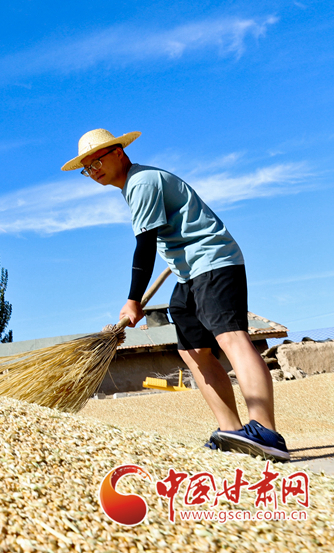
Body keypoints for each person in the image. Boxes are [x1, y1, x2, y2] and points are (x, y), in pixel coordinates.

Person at [62, 130, 289, 462]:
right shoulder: (132, 188)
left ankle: (266, 433)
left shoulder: (142, 182)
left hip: (213, 261)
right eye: (86, 167)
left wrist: (133, 299)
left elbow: (145, 245)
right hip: (187, 274)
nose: (93, 169)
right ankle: (232, 432)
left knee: (232, 339)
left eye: (97, 159)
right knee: (193, 352)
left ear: (119, 153)